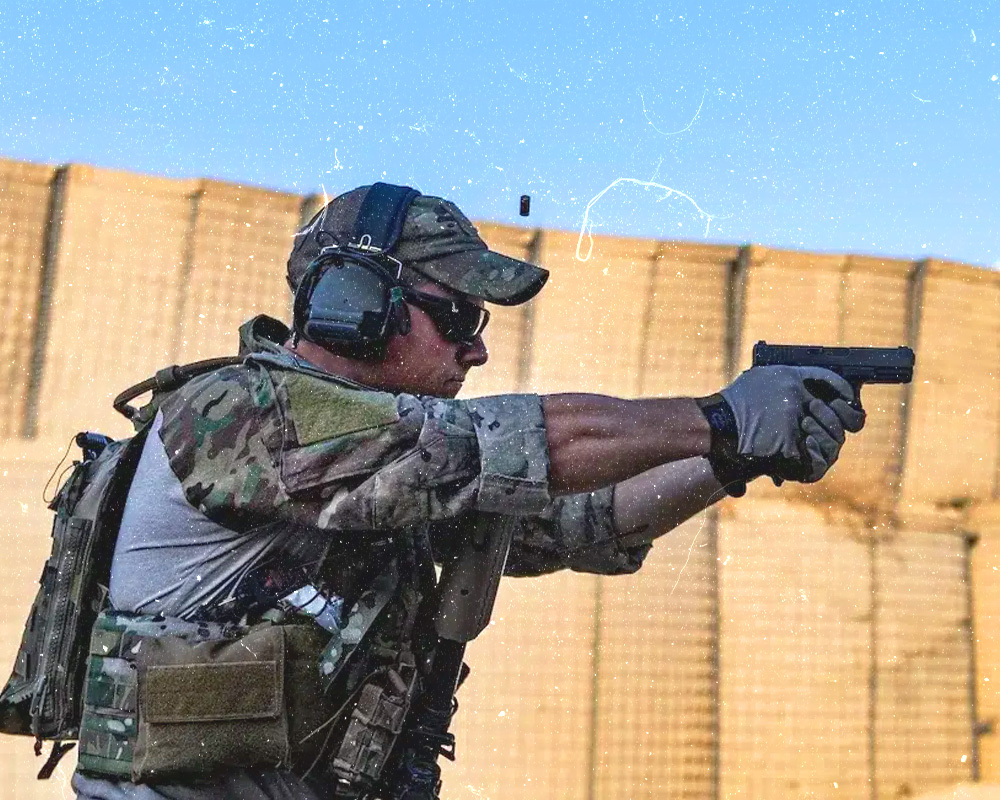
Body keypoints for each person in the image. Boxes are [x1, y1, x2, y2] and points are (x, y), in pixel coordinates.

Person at [71, 184, 864, 800]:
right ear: (356, 305)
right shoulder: (243, 415)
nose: (477, 348)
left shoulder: (386, 469)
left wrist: (729, 460)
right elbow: (527, 443)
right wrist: (721, 419)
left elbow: (575, 524)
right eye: (456, 316)